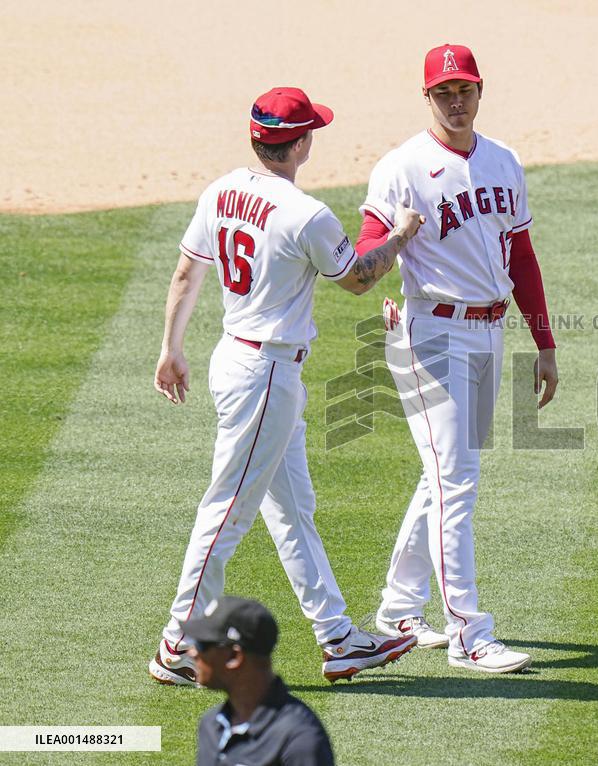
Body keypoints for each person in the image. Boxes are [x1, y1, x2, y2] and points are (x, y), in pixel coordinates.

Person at [149, 86, 424, 686]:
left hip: (236, 360)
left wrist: (171, 347)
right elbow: (357, 278)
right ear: (299, 143)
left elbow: (186, 269)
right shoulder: (308, 215)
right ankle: (178, 641)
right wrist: (401, 235)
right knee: (225, 514)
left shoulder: (221, 189)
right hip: (266, 375)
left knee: (293, 511)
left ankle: (338, 637)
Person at [357, 45, 558, 673]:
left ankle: (397, 609)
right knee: (458, 484)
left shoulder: (504, 161)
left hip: (490, 333)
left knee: (443, 479)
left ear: (479, 89)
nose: (456, 99)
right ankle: (470, 633)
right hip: (431, 336)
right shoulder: (401, 168)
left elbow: (520, 256)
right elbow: (364, 254)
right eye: (444, 91)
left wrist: (544, 341)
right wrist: (397, 237)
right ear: (427, 97)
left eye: (464, 88)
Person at [185, 597, 335, 765]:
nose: (192, 652)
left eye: (202, 644)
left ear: (234, 657)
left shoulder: (298, 739)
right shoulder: (211, 726)